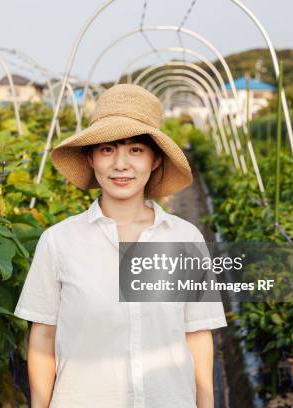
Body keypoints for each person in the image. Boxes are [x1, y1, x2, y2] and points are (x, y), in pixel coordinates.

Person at [13, 84, 227, 408]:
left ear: (155, 160)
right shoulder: (59, 241)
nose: (121, 164)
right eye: (108, 149)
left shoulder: (184, 239)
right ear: (91, 158)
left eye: (136, 150)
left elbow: (196, 334)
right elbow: (43, 336)